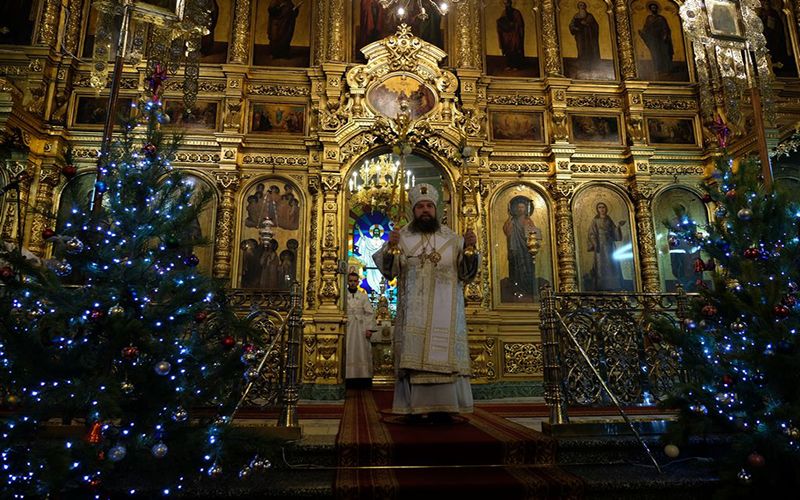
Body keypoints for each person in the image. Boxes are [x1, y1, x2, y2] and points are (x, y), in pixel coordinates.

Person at [373, 183, 479, 423]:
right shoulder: (402, 238)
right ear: (413, 210)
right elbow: (388, 270)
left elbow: (467, 273)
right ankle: (414, 408)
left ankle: (446, 408)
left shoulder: (453, 239)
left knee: (445, 357)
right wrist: (391, 247)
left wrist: (471, 248)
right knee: (415, 358)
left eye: (429, 205)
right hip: (414, 314)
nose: (425, 210)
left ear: (436, 208)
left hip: (447, 312)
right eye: (420, 206)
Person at [503, 196, 541, 299]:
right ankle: (516, 288)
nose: (520, 209)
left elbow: (533, 234)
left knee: (527, 267)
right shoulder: (512, 220)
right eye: (519, 207)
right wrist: (510, 219)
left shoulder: (528, 221)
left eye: (522, 207)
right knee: (515, 267)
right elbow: (507, 231)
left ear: (525, 209)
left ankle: (527, 289)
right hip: (515, 249)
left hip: (526, 249)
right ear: (515, 209)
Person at [344, 271, 377, 389]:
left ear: (358, 282)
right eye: (350, 281)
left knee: (362, 352)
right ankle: (347, 378)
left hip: (361, 329)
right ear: (347, 282)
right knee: (348, 350)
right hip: (347, 328)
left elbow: (369, 313)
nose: (352, 283)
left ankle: (363, 378)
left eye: (355, 281)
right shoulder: (343, 296)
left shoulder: (363, 296)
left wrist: (369, 329)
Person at [587, 202, 625, 291]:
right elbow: (591, 233)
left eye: (603, 207)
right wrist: (595, 243)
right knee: (601, 265)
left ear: (606, 208)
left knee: (612, 264)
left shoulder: (608, 219)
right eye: (600, 207)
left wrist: (619, 226)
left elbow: (614, 231)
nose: (602, 209)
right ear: (597, 209)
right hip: (600, 245)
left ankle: (614, 285)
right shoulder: (595, 220)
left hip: (610, 245)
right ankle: (602, 286)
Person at [638, 3, 674, 79]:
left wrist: (665, 35)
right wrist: (642, 32)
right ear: (650, 9)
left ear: (657, 9)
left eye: (655, 8)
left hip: (661, 39)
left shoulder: (661, 18)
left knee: (664, 54)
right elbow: (646, 27)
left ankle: (666, 70)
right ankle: (658, 69)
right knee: (656, 54)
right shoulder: (649, 18)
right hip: (653, 39)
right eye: (652, 8)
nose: (653, 9)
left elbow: (666, 28)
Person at [356, 224, 387, 293]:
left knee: (380, 278)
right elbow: (363, 238)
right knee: (371, 278)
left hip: (379, 265)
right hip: (370, 264)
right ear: (373, 233)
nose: (376, 233)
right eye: (375, 232)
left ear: (379, 233)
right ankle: (374, 291)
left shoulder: (383, 242)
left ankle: (381, 293)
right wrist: (359, 229)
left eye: (377, 232)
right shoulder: (369, 241)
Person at [497, 0, 526, 70]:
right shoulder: (504, 12)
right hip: (506, 35)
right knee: (508, 50)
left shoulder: (516, 12)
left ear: (510, 3)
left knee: (515, 49)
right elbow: (501, 22)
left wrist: (512, 25)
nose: (506, 5)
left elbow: (519, 24)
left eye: (507, 3)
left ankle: (516, 65)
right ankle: (509, 65)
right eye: (505, 4)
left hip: (514, 35)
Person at [569, 2, 600, 66]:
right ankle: (581, 60)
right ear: (578, 7)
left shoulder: (590, 16)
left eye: (583, 5)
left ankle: (591, 61)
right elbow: (571, 25)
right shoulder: (576, 16)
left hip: (589, 35)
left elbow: (595, 25)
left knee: (589, 46)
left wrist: (587, 24)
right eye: (580, 5)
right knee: (580, 47)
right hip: (580, 35)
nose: (582, 6)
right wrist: (575, 28)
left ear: (585, 6)